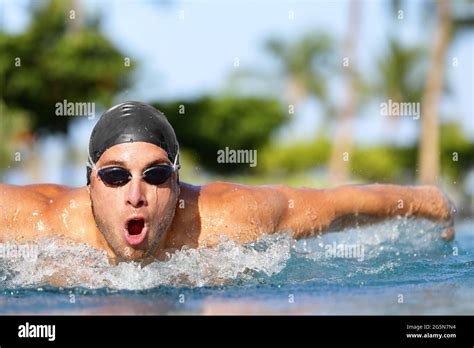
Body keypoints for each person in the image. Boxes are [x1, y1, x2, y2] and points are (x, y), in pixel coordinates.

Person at [0, 101, 455, 265]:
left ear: (178, 184)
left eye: (155, 175)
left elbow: (339, 202)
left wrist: (429, 201)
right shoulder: (40, 223)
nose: (135, 194)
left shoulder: (228, 218)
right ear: (89, 183)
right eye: (115, 176)